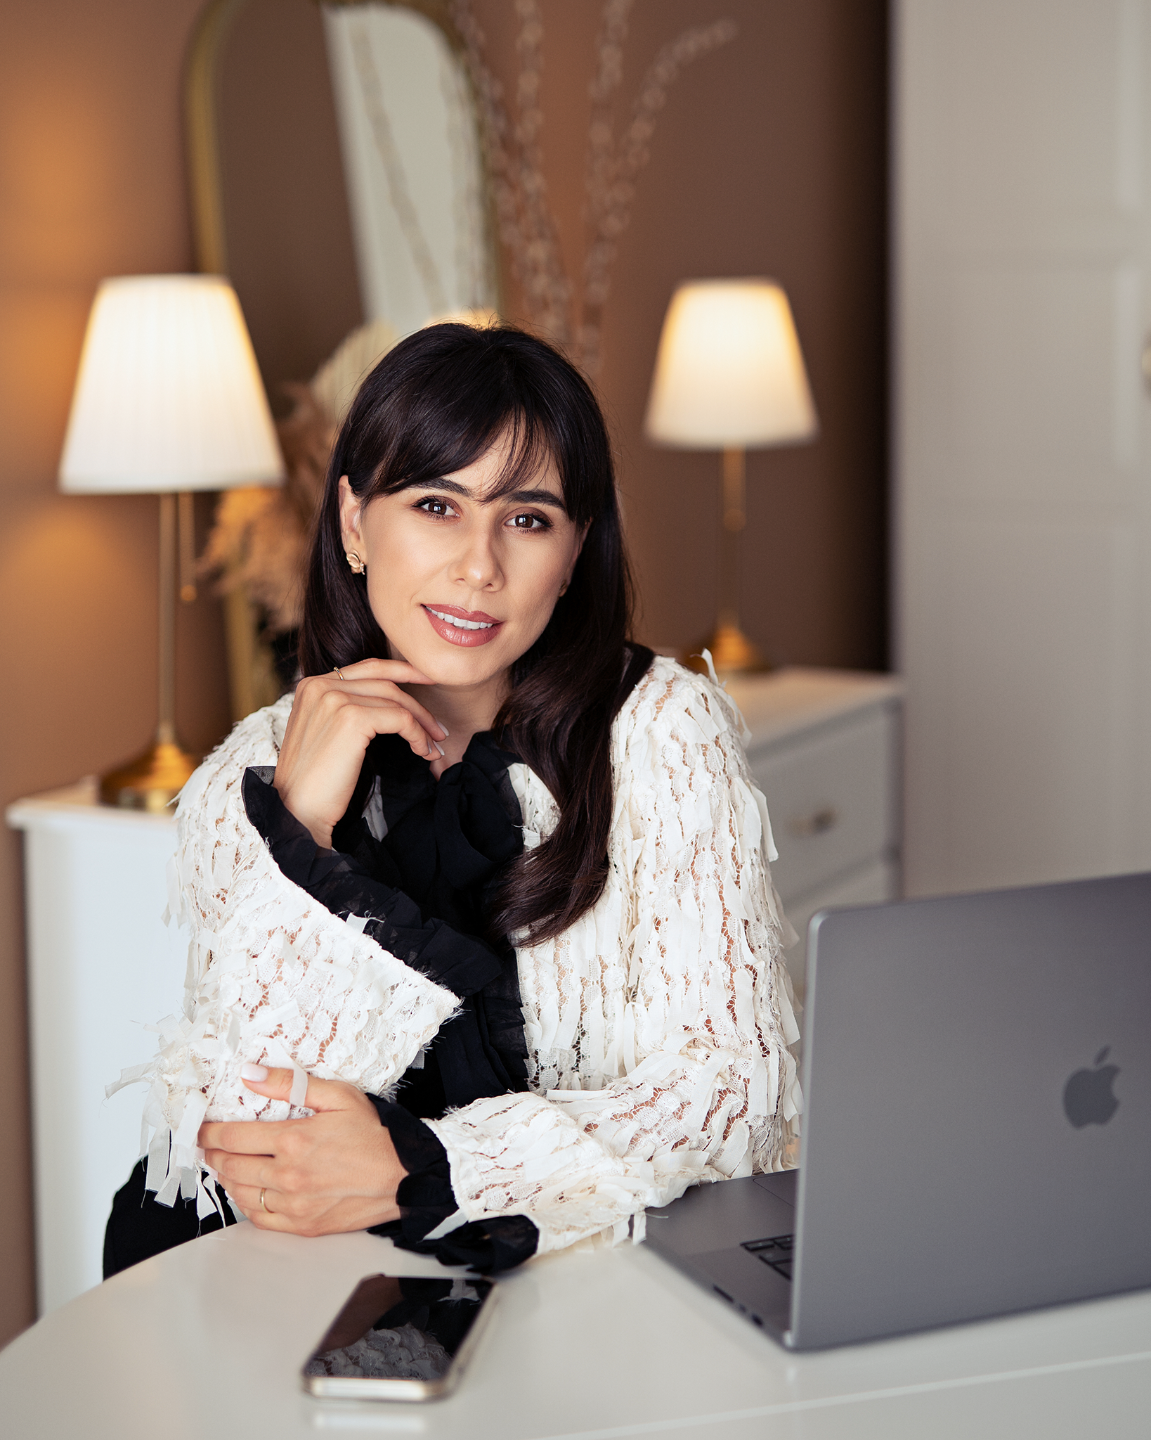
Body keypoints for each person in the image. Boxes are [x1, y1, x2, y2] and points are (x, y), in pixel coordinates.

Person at [103, 322, 801, 1279]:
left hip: (602, 1267)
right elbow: (248, 1135)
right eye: (436, 504)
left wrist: (430, 1167)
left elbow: (733, 1092)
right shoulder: (250, 774)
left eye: (527, 519)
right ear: (353, 521)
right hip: (316, 1273)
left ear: (572, 552)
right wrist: (299, 825)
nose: (480, 565)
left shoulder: (663, 731)